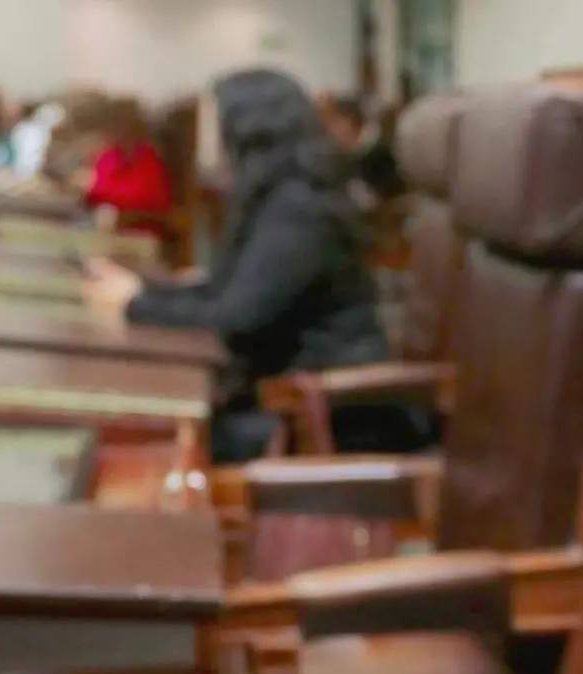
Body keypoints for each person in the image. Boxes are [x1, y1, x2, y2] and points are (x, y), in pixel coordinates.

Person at [82, 69, 405, 464]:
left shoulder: (298, 208)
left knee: (147, 448)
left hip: (322, 417)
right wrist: (141, 291)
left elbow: (234, 318)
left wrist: (135, 305)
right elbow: (226, 291)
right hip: (288, 395)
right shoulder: (277, 195)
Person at [82, 98, 172, 228]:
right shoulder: (106, 158)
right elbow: (95, 195)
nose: (116, 130)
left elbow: (157, 207)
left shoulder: (150, 162)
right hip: (106, 229)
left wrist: (122, 214)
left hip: (141, 234)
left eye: (122, 124)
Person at [321, 92, 405, 207]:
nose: (325, 131)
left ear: (349, 120)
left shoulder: (377, 156)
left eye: (330, 120)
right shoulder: (344, 159)